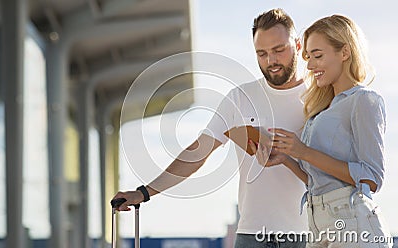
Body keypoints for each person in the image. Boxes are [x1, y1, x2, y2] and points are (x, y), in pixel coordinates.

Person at [113, 8, 308, 247]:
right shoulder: (240, 98)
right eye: (262, 53)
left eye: (279, 50)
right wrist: (144, 192)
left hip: (307, 234)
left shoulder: (319, 99)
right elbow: (197, 152)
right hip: (251, 236)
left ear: (298, 45)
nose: (271, 61)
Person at [251, 14, 392, 247]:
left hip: (352, 224)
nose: (310, 65)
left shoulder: (364, 100)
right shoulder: (322, 109)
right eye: (308, 57)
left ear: (344, 53)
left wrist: (303, 151)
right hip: (317, 222)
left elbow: (372, 178)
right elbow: (318, 181)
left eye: (317, 55)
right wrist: (287, 158)